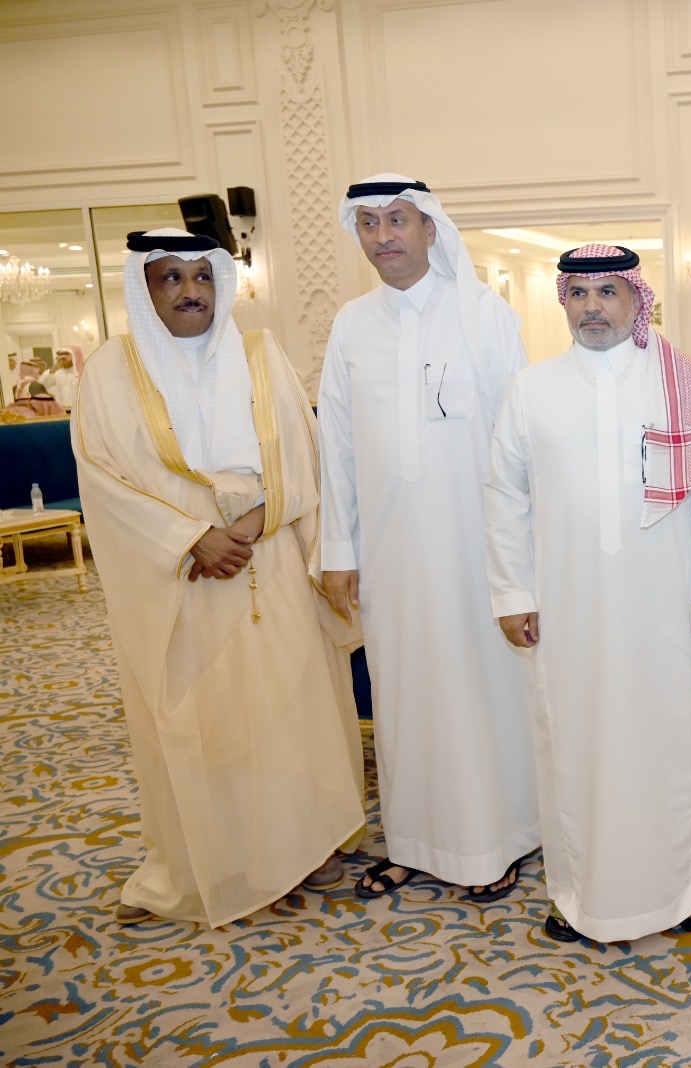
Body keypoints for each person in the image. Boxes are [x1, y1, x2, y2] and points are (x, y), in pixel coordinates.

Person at [71, 228, 365, 926]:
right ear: (144, 289)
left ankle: (305, 844)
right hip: (180, 572)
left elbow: (305, 455)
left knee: (288, 705)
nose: (190, 291)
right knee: (201, 719)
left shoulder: (260, 354)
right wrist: (191, 539)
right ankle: (207, 861)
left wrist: (257, 521)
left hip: (267, 555)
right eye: (170, 277)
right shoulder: (109, 371)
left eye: (202, 276)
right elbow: (102, 478)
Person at [483, 244, 691, 943]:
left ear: (636, 299)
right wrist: (512, 592)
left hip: (667, 599)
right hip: (568, 604)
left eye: (608, 292)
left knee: (673, 736)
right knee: (575, 743)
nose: (592, 307)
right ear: (563, 301)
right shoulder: (531, 389)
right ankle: (581, 896)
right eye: (579, 293)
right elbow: (504, 497)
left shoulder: (679, 381)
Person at [319, 174, 540, 902]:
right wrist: (339, 550)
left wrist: (523, 552)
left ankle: (500, 839)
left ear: (430, 229)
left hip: (476, 549)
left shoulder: (483, 313)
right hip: (390, 554)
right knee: (404, 695)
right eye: (369, 224)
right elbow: (336, 446)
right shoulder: (351, 324)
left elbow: (517, 441)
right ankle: (415, 842)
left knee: (483, 690)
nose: (383, 236)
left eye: (398, 220)